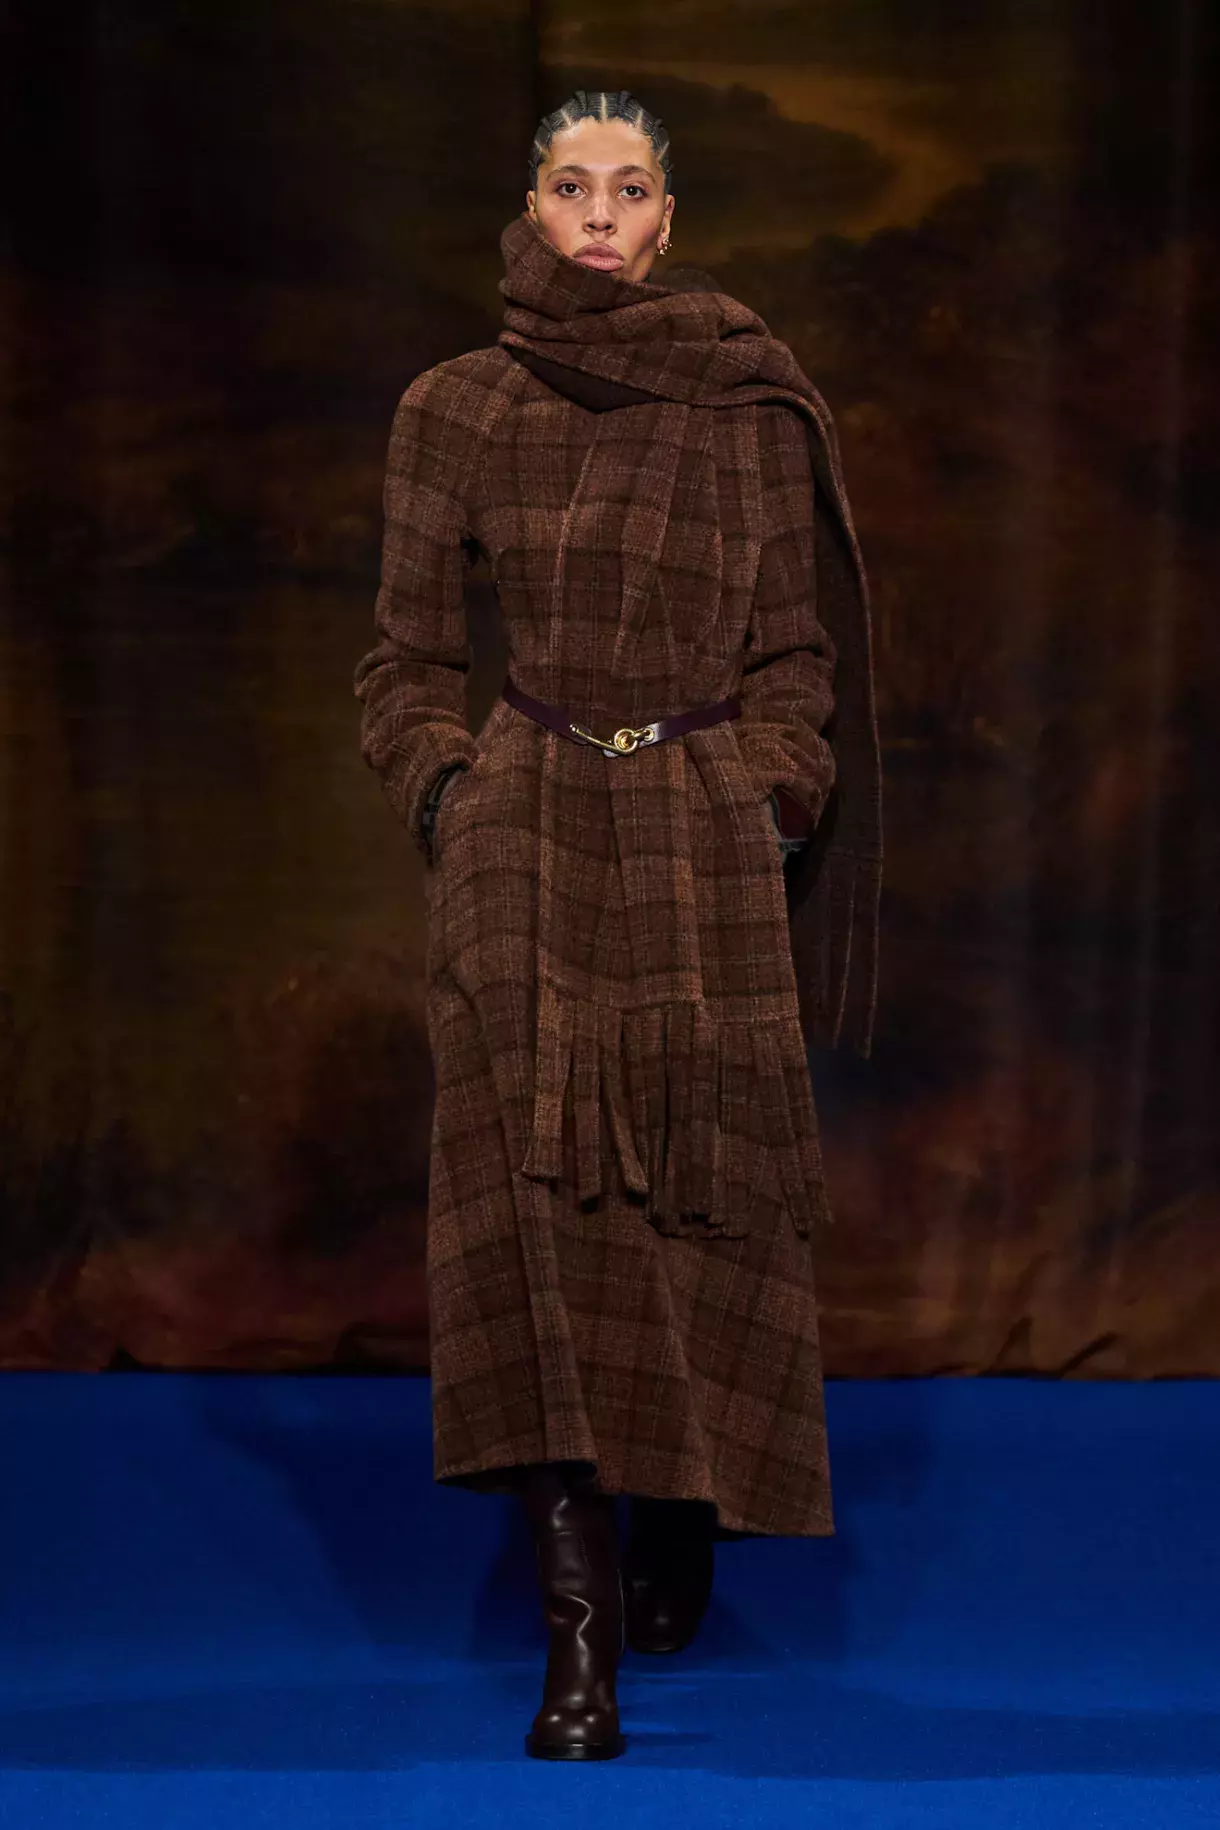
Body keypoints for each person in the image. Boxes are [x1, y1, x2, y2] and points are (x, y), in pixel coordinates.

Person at [352, 88, 881, 1763]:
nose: (598, 212)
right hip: (525, 819)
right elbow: (403, 660)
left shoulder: (746, 403)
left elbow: (795, 655)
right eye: (570, 184)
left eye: (629, 186)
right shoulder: (457, 404)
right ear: (530, 208)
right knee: (531, 1202)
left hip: (700, 821)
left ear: (667, 221)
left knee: (697, 1182)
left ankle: (686, 1505)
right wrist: (451, 795)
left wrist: (775, 795)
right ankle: (575, 1641)